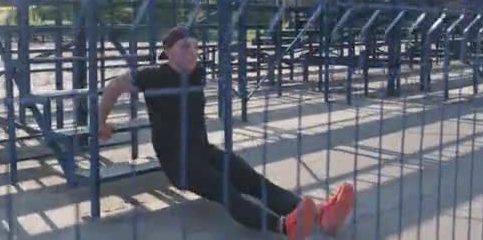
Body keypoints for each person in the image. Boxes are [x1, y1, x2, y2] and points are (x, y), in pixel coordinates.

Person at [98, 25, 354, 239]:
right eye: (185, 46)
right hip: (180, 164)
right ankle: (284, 226)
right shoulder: (152, 76)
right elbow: (115, 86)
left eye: (195, 46)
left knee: (254, 181)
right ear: (168, 51)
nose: (193, 52)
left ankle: (322, 215)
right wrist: (101, 122)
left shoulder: (196, 74)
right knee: (227, 192)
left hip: (204, 152)